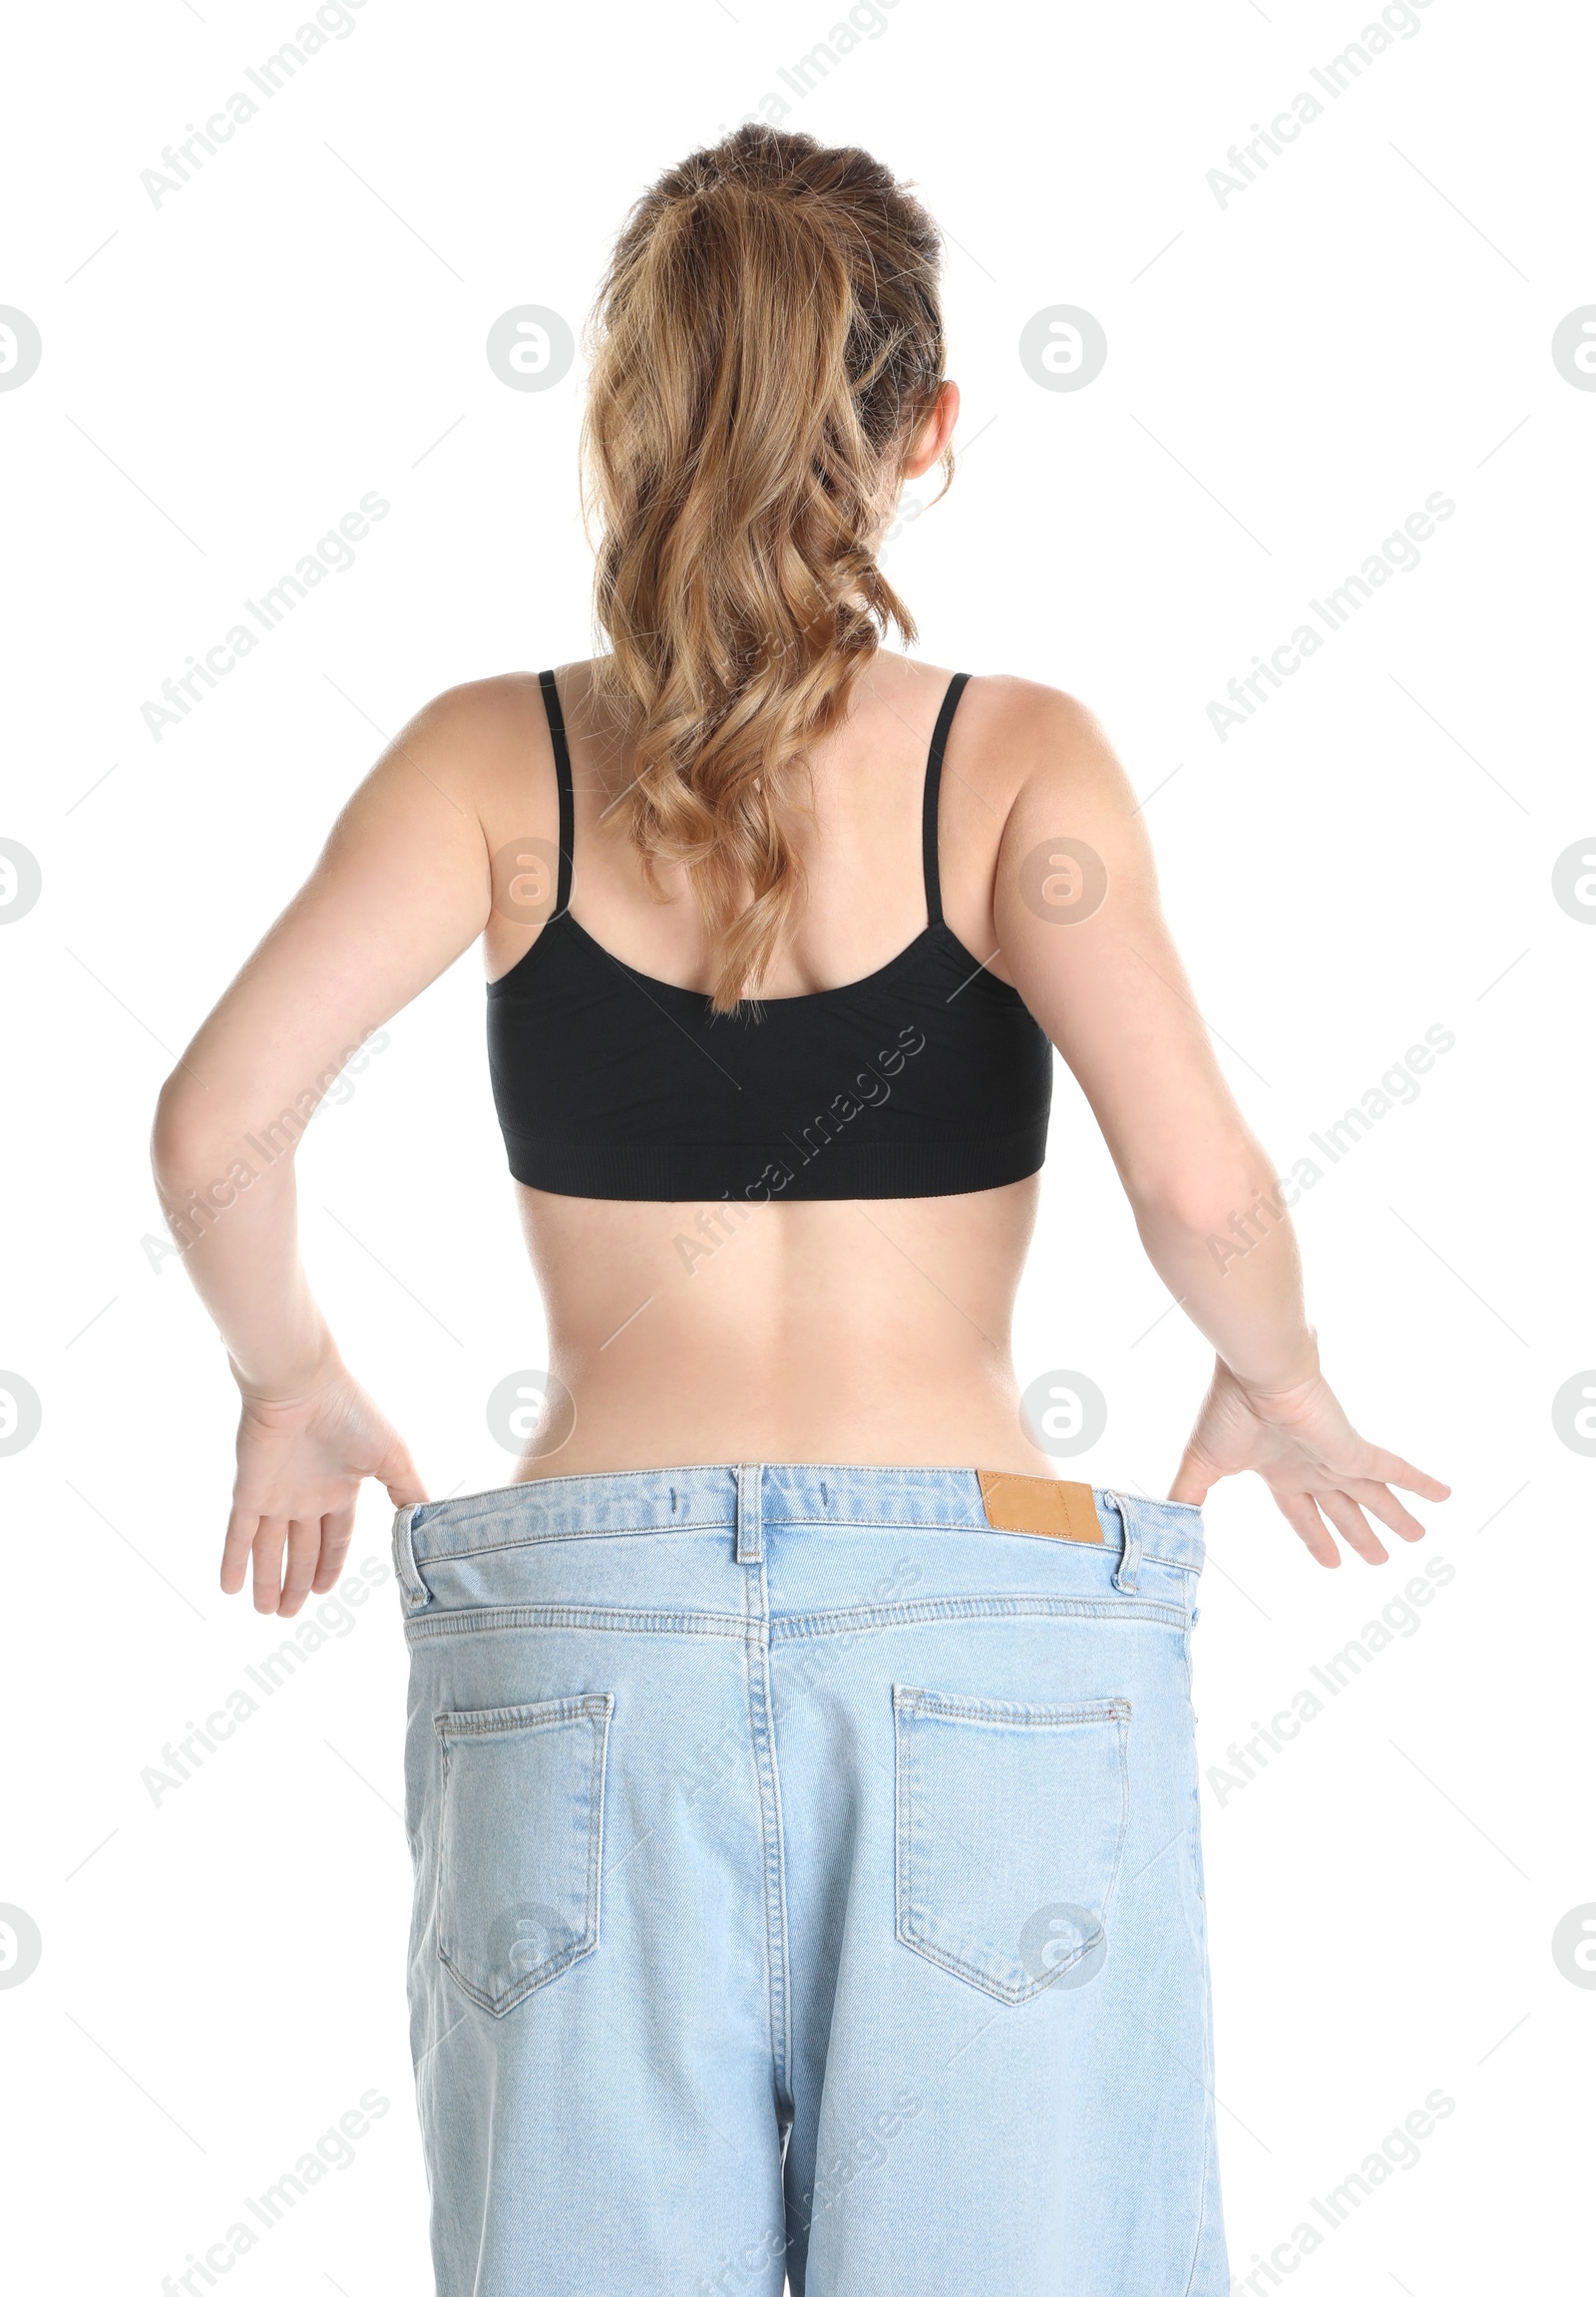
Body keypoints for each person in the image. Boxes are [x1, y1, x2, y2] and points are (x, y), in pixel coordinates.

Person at [152, 124, 1447, 2297]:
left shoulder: (491, 765)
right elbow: (1201, 1193)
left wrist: (289, 1381)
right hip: (979, 1638)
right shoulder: (1013, 754)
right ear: (929, 430)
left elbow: (213, 1135)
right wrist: (1278, 1384)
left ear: (631, 415)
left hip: (581, 1656)